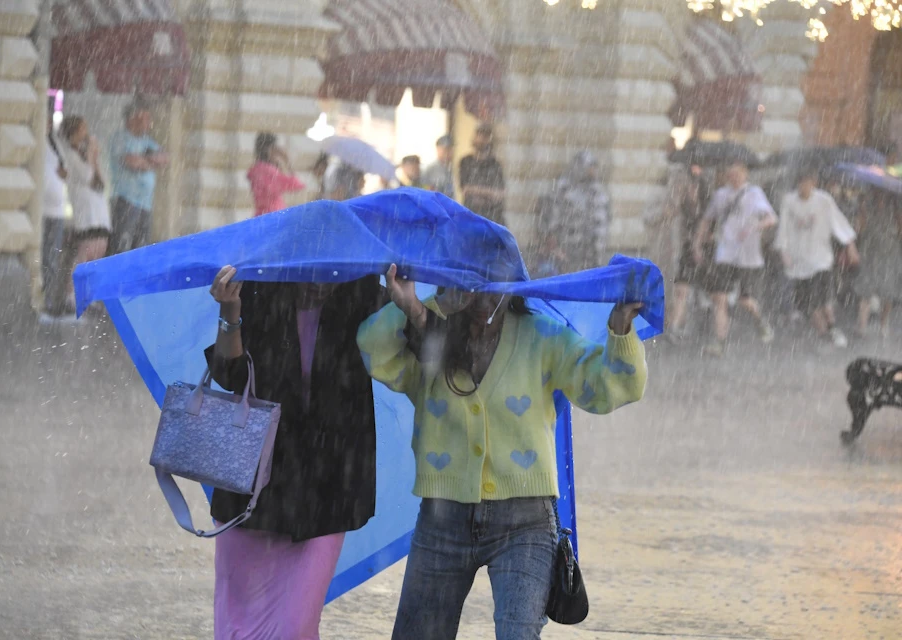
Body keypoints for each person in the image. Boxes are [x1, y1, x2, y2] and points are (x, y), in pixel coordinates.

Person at [358, 265, 647, 640]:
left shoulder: (542, 338)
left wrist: (621, 326)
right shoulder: (426, 341)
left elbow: (611, 387)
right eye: (470, 288)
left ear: (512, 290)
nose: (483, 301)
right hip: (441, 519)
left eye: (493, 288)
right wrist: (413, 305)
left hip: (525, 524)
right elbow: (372, 347)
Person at [206, 265, 385, 639]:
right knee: (239, 627)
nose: (321, 282)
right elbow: (230, 375)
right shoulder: (260, 286)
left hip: (328, 486)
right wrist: (230, 310)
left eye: (332, 269)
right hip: (254, 485)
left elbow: (413, 352)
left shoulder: (363, 292)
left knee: (296, 626)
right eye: (313, 269)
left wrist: (409, 305)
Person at [693, 158, 778, 357]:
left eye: (737, 173)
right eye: (730, 173)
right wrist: (697, 244)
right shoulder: (720, 195)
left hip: (748, 256)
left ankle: (760, 320)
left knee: (744, 299)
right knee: (720, 298)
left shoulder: (754, 193)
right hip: (725, 254)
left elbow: (771, 218)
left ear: (745, 174)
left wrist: (755, 226)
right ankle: (719, 342)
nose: (733, 177)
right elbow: (707, 220)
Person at [774, 166, 858, 348]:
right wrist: (783, 252)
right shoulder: (789, 201)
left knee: (823, 299)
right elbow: (783, 229)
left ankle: (833, 328)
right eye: (801, 183)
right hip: (798, 263)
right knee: (809, 304)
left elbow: (838, 222)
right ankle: (823, 335)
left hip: (821, 259)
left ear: (814, 183)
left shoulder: (824, 200)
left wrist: (850, 245)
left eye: (808, 182)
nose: (804, 186)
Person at [108, 98, 169, 254]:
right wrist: (149, 160)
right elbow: (132, 162)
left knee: (141, 249)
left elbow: (164, 158)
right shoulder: (121, 138)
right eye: (146, 118)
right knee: (123, 247)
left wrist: (144, 160)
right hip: (126, 201)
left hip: (145, 204)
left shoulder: (146, 140)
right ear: (133, 119)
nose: (149, 123)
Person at [58, 116, 111, 291]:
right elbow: (87, 176)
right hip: (86, 213)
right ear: (73, 133)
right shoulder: (71, 155)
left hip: (98, 212)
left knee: (98, 251)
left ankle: (88, 294)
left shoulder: (82, 154)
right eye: (82, 129)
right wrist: (91, 155)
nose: (86, 133)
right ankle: (71, 295)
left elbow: (100, 182)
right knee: (85, 253)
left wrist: (94, 158)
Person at [537, 151, 612, 274]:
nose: (593, 171)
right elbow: (551, 219)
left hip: (593, 253)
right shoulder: (563, 189)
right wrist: (554, 245)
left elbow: (606, 217)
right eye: (590, 167)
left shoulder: (599, 191)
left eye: (594, 167)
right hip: (568, 251)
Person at [666, 163, 712, 343]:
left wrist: (701, 242)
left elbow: (712, 231)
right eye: (689, 187)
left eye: (694, 187)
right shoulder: (682, 207)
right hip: (687, 251)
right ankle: (675, 327)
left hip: (706, 252)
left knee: (708, 293)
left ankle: (705, 327)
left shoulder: (709, 208)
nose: (690, 190)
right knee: (681, 289)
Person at [853, 190, 902, 341]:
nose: (881, 198)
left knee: (888, 292)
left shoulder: (896, 209)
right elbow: (859, 229)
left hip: (889, 254)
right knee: (866, 289)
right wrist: (861, 213)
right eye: (878, 194)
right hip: (870, 253)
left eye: (884, 196)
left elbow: (900, 230)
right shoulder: (866, 207)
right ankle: (862, 327)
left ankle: (883, 324)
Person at [40, 104, 72, 322]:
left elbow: (65, 169)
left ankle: (51, 299)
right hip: (42, 209)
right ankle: (45, 300)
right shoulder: (34, 141)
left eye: (49, 119)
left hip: (58, 210)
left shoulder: (55, 143)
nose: (47, 122)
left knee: (53, 256)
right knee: (44, 256)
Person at [247, 132, 305, 216]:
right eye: (275, 148)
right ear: (268, 150)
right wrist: (287, 161)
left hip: (261, 215)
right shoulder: (268, 171)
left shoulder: (256, 169)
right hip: (274, 215)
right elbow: (297, 185)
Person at [459, 124, 505, 225]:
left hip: (492, 217)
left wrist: (476, 191)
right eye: (479, 136)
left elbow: (499, 194)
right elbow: (465, 190)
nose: (481, 140)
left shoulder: (495, 164)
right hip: (471, 215)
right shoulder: (466, 162)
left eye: (485, 137)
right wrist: (487, 193)